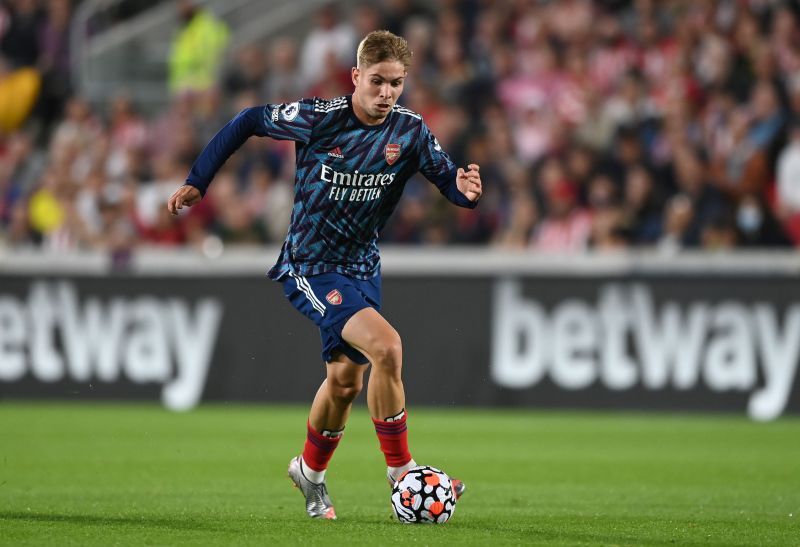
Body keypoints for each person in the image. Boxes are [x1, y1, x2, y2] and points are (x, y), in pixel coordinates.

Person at [167, 30, 482, 520]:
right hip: (310, 265)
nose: (386, 94)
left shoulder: (410, 132)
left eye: (396, 84)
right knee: (388, 348)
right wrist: (197, 182)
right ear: (356, 76)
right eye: (377, 81)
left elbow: (448, 181)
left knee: (344, 381)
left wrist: (465, 190)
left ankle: (309, 474)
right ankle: (403, 475)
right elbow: (249, 119)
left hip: (362, 267)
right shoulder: (320, 119)